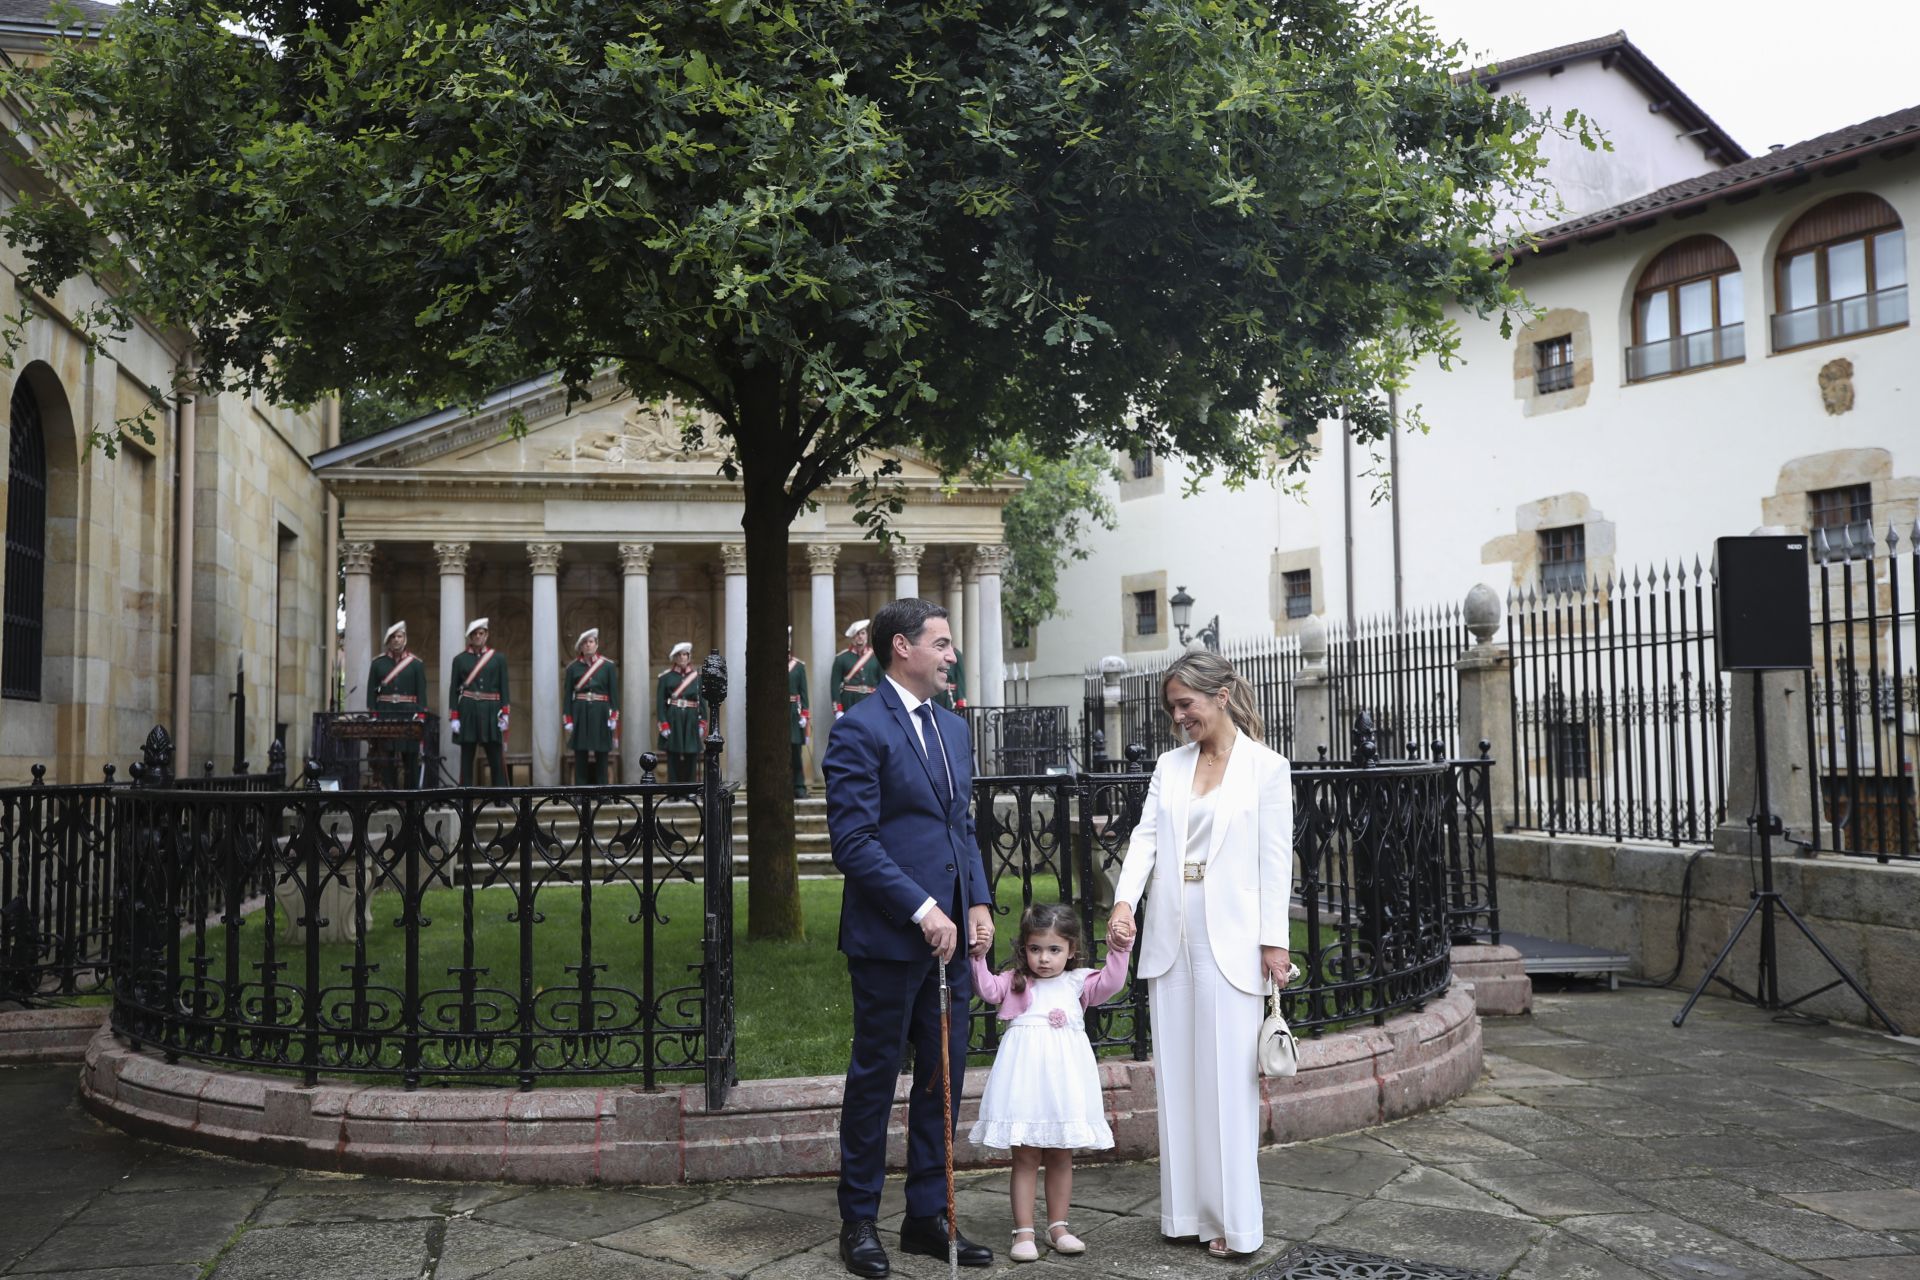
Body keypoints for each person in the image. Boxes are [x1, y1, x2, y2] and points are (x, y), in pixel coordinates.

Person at [825, 598, 995, 1278]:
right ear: (902, 648)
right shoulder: (859, 729)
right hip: (890, 940)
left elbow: (961, 824)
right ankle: (858, 1221)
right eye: (942, 643)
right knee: (874, 1081)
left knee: (941, 1081)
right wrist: (924, 908)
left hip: (953, 943)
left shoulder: (954, 729)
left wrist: (977, 899)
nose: (952, 654)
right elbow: (854, 843)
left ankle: (927, 1216)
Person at [1106, 650, 1293, 1260]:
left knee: (1227, 1086)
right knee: (1180, 1081)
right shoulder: (1169, 764)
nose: (1178, 716)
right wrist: (1125, 902)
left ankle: (1234, 1222)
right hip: (1171, 934)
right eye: (1172, 707)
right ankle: (1185, 1213)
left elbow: (1273, 858)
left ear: (1221, 695)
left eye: (1186, 704)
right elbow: (1146, 837)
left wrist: (1275, 941)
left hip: (1233, 939)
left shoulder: (1266, 769)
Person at [969, 903, 1133, 1263]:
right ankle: (1023, 1230)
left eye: (1054, 949)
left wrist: (1120, 950)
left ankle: (1058, 1226)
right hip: (1025, 1080)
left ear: (1072, 950)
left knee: (1061, 1154)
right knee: (1026, 1155)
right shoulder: (1016, 981)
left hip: (1065, 1081)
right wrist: (978, 957)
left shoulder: (1078, 983)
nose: (1044, 958)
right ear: (1024, 949)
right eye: (1035, 949)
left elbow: (1112, 983)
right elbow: (985, 989)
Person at [449, 618, 511, 786]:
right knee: (467, 756)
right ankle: (465, 797)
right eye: (474, 634)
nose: (478, 636)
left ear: (487, 635)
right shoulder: (460, 660)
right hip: (468, 710)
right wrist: (454, 716)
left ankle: (501, 796)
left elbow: (504, 687)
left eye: (481, 633)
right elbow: (454, 689)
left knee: (495, 756)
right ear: (470, 637)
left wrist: (505, 713)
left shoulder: (498, 659)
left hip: (492, 711)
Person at [366, 620, 426, 788]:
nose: (396, 640)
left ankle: (412, 797)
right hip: (386, 713)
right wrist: (374, 715)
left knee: (411, 757)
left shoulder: (416, 664)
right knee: (386, 757)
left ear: (405, 638)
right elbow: (372, 692)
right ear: (388, 640)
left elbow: (421, 693)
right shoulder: (378, 663)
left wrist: (420, 716)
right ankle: (388, 795)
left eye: (399, 636)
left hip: (409, 714)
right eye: (393, 637)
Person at [564, 628, 618, 784]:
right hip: (580, 710)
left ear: (596, 644)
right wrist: (567, 718)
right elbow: (567, 695)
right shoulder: (573, 668)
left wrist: (614, 715)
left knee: (602, 753)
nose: (588, 645)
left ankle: (603, 793)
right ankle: (581, 793)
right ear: (580, 647)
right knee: (580, 753)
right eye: (584, 643)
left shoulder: (607, 666)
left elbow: (613, 693)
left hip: (601, 711)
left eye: (591, 642)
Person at [655, 641, 703, 782]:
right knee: (673, 754)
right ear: (674, 658)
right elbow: (660, 704)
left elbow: (702, 703)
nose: (682, 657)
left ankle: (690, 789)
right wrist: (663, 723)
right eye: (679, 655)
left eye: (685, 654)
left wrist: (702, 722)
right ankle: (673, 791)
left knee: (691, 754)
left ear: (689, 657)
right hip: (673, 717)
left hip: (691, 717)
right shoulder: (665, 677)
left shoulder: (697, 678)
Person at [830, 619, 878, 718]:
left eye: (863, 633)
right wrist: (838, 710)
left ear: (867, 635)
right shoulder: (841, 658)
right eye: (857, 634)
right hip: (849, 704)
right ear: (852, 637)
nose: (860, 636)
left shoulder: (876, 658)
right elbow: (834, 686)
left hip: (872, 703)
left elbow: (883, 683)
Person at [787, 628, 811, 798]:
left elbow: (804, 694)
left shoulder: (798, 666)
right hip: (776, 713)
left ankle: (799, 786)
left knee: (795, 751)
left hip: (793, 713)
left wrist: (804, 715)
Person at [934, 648, 967, 713]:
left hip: (949, 695)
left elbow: (960, 679)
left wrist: (961, 698)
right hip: (935, 694)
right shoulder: (934, 653)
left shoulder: (956, 654)